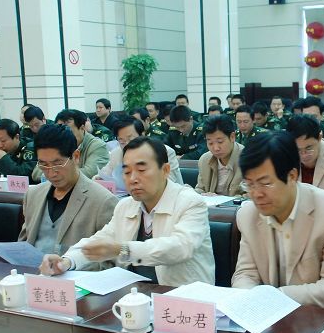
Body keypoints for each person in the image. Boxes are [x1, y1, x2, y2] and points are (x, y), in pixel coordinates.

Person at [39, 137, 215, 286]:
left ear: (165, 170)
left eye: (141, 170)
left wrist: (123, 249)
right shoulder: (125, 206)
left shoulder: (190, 202)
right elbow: (100, 241)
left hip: (183, 300)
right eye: (127, 172)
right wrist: (66, 261)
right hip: (134, 295)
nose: (133, 179)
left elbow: (180, 247)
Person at [231, 132, 324, 308]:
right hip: (267, 314)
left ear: (292, 176)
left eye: (266, 183)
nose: (256, 194)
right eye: (249, 184)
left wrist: (274, 297)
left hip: (321, 316)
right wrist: (248, 298)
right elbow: (245, 274)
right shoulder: (247, 215)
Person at [19, 125, 118, 260]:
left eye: (58, 163)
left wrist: (68, 264)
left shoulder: (103, 201)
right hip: (31, 270)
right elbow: (23, 244)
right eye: (44, 165)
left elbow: (109, 260)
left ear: (76, 156)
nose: (51, 173)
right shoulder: (33, 195)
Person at [95, 116, 183, 185]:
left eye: (131, 139)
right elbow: (103, 174)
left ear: (142, 135)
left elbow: (168, 182)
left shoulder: (165, 152)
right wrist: (99, 179)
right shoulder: (116, 154)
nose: (127, 145)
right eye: (121, 141)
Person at [34, 110, 109, 181]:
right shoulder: (55, 144)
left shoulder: (97, 146)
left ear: (82, 128)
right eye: (61, 132)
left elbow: (89, 173)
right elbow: (36, 173)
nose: (64, 136)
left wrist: (52, 174)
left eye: (69, 131)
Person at [195, 114, 245, 196]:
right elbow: (201, 188)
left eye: (220, 142)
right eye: (210, 143)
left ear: (232, 137)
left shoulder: (248, 158)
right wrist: (196, 194)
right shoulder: (204, 160)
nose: (216, 148)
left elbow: (249, 195)